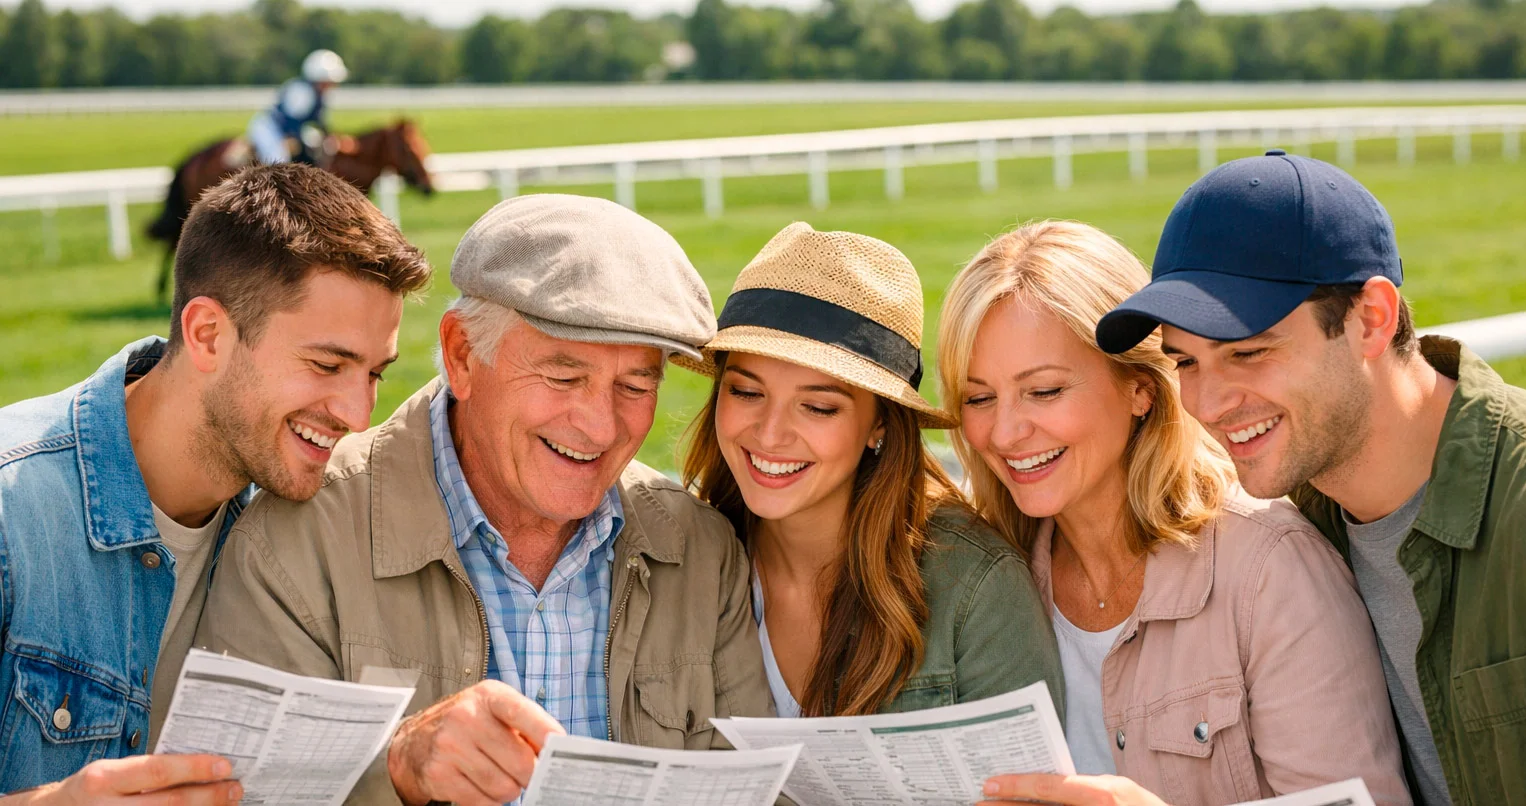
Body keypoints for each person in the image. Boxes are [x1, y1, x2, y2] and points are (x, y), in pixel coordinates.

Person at [195, 194, 776, 806]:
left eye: (635, 385)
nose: (601, 427)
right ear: (462, 355)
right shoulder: (296, 541)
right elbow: (237, 791)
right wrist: (396, 767)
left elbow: (762, 789)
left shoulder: (701, 551)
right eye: (563, 376)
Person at [1096, 149, 1526, 806]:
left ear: (1371, 318)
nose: (1209, 405)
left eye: (1248, 352)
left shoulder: (1523, 511)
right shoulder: (1293, 525)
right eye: (1186, 362)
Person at [0, 164, 432, 802]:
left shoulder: (304, 524)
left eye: (373, 374)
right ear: (208, 335)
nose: (356, 414)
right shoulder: (15, 510)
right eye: (326, 364)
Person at [942, 220, 1411, 806]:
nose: (1006, 432)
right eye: (979, 398)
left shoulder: (1270, 571)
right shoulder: (983, 581)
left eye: (1044, 391)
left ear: (1139, 388)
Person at [679, 222, 1063, 720]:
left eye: (818, 407)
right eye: (747, 392)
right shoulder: (686, 562)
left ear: (879, 423)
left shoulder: (975, 592)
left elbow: (1025, 791)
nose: (770, 434)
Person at [247, 49, 348, 166]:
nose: (332, 85)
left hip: (290, 128)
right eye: (329, 81)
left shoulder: (319, 94)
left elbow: (319, 122)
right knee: (278, 159)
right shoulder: (301, 91)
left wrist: (329, 136)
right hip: (270, 128)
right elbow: (289, 121)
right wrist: (294, 139)